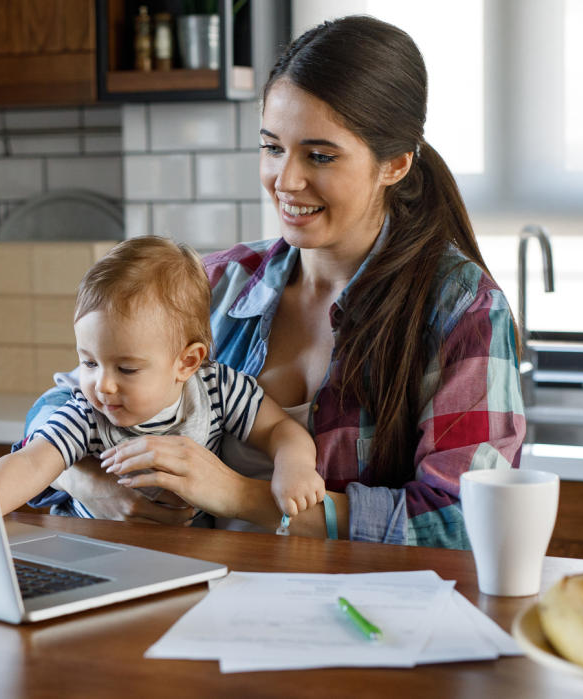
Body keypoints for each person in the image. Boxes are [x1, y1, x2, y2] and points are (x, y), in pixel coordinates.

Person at [29, 15, 525, 547]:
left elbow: (460, 523)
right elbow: (59, 410)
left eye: (320, 155)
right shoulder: (216, 283)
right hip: (196, 601)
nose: (285, 181)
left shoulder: (462, 309)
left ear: (395, 165)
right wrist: (91, 483)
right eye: (271, 148)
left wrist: (237, 496)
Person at [0, 236, 323, 519]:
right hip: (97, 548)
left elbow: (279, 429)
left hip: (185, 555)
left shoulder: (216, 389)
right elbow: (31, 464)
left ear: (187, 362)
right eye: (89, 363)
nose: (103, 386)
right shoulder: (87, 415)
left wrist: (294, 468)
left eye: (126, 369)